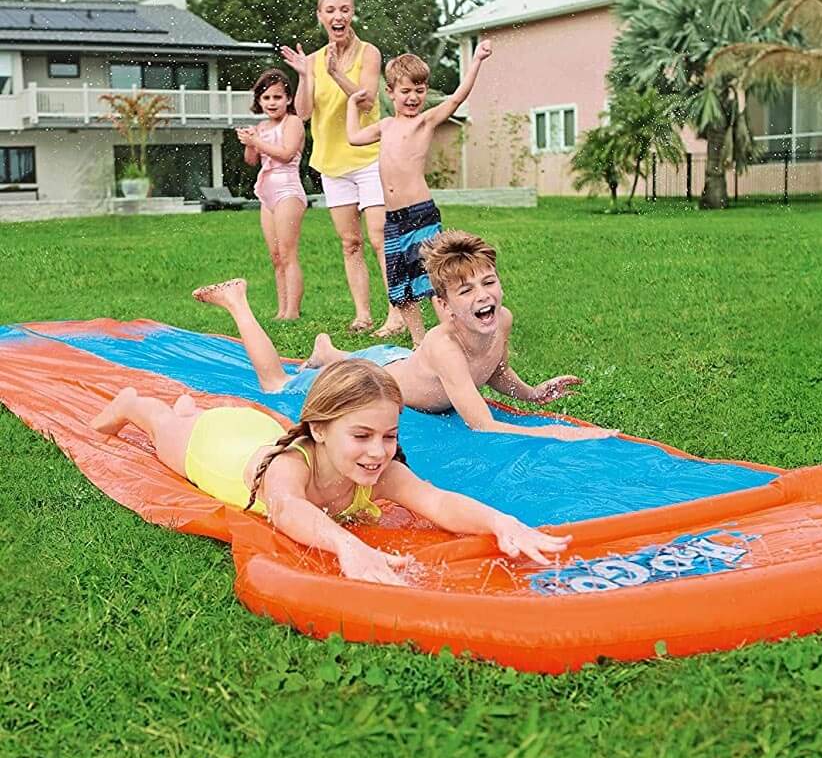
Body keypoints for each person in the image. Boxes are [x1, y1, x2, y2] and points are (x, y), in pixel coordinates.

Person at [89, 361, 571, 586]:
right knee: (163, 428)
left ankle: (186, 409)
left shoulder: (378, 470)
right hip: (214, 448)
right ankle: (138, 405)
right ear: (319, 429)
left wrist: (499, 522)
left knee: (192, 417)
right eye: (362, 435)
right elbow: (287, 510)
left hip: (258, 430)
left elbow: (437, 501)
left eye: (389, 435)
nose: (378, 452)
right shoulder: (287, 468)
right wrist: (347, 545)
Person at [299, 231, 619, 442]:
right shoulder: (445, 347)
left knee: (375, 361)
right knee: (353, 369)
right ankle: (327, 351)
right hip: (386, 375)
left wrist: (532, 394)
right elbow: (482, 425)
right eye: (466, 290)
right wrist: (556, 433)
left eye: (489, 282)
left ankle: (332, 352)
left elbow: (496, 371)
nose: (482, 295)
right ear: (444, 305)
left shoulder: (502, 319)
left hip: (407, 363)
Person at [345, 44, 493, 346]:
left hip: (420, 213)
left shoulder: (425, 122)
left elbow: (457, 97)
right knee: (400, 286)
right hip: (392, 219)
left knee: (434, 280)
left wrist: (477, 59)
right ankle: (419, 343)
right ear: (390, 92)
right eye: (406, 91)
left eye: (419, 90)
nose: (413, 97)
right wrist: (351, 104)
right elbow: (353, 137)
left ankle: (453, 338)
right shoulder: (385, 126)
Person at [279, 0, 403, 337]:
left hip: (368, 157)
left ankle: (396, 313)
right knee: (350, 242)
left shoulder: (369, 52)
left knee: (379, 238)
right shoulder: (312, 61)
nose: (338, 16)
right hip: (332, 164)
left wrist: (335, 74)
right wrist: (306, 75)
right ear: (320, 16)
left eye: (344, 9)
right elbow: (303, 112)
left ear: (352, 13)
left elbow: (366, 102)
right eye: (330, 10)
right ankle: (363, 315)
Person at [236, 69, 307, 320]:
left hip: (288, 190)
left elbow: (286, 154)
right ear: (259, 101)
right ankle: (282, 310)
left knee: (288, 254)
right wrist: (249, 143)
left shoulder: (293, 122)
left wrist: (256, 142)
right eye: (266, 98)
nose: (271, 103)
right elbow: (251, 160)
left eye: (277, 97)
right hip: (266, 193)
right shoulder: (261, 127)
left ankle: (293, 312)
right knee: (276, 256)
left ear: (288, 99)